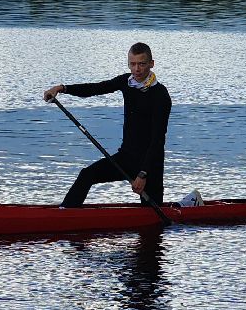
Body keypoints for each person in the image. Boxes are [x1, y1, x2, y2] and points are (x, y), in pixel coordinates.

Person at [43, 42, 172, 207]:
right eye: (132, 64)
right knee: (87, 174)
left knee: (151, 213)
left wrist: (143, 173)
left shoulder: (160, 95)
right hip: (125, 158)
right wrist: (62, 88)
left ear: (151, 64)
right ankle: (65, 212)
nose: (137, 69)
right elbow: (95, 88)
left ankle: (184, 209)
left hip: (150, 165)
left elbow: (158, 140)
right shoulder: (126, 82)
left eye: (141, 64)